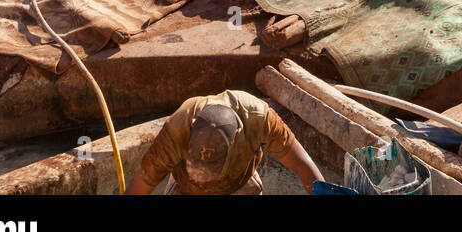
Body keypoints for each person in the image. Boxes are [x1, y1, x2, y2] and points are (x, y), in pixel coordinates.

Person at [126, 90, 323, 195]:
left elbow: (300, 164)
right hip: (187, 189)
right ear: (193, 126)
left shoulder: (259, 119)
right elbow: (143, 182)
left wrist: (323, 193)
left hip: (239, 185)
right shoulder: (176, 130)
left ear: (237, 135)